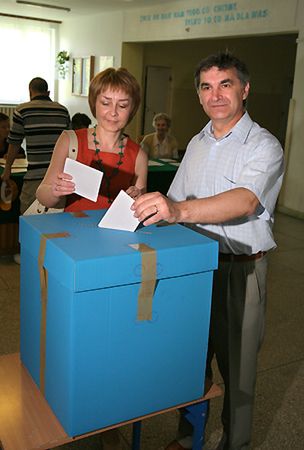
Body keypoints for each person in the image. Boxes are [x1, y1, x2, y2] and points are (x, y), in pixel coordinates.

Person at [132, 52, 284, 450]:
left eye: (226, 84)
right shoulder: (197, 143)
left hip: (240, 272)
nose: (215, 95)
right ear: (199, 95)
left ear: (245, 89)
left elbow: (246, 201)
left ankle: (235, 443)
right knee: (192, 359)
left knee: (237, 372)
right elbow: (177, 204)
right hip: (196, 269)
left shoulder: (264, 145)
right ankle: (188, 437)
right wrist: (149, 204)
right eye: (206, 86)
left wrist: (178, 208)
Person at [36, 67, 147, 212]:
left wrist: (138, 199)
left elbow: (140, 207)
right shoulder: (70, 141)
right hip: (72, 230)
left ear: (132, 109)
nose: (113, 112)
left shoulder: (138, 155)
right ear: (94, 103)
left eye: (122, 105)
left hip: (115, 232)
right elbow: (42, 194)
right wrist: (55, 191)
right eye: (106, 103)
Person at [1, 77, 70, 214]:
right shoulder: (63, 111)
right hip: (58, 179)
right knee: (56, 221)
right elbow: (70, 143)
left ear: (30, 92)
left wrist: (7, 169)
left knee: (29, 219)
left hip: (35, 177)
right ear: (48, 92)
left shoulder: (23, 110)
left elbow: (14, 143)